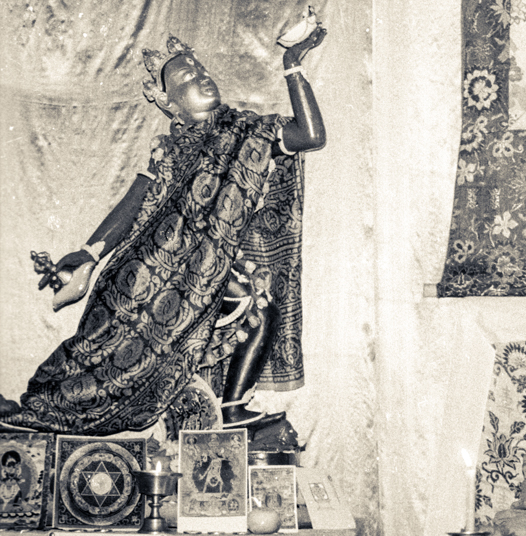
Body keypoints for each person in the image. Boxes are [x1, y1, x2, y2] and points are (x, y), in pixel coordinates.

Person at [0, 25, 327, 436]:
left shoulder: (248, 131)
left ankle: (230, 408)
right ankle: (43, 407)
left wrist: (291, 64)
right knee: (106, 354)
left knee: (260, 313)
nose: (200, 77)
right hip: (150, 270)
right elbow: (133, 203)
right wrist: (88, 253)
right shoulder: (167, 152)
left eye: (200, 70)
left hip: (208, 265)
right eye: (186, 78)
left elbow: (310, 135)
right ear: (166, 102)